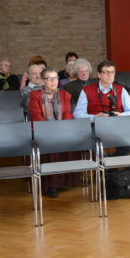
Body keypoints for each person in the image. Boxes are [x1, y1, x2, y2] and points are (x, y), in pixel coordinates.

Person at [29, 68, 78, 198]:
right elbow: (36, 115)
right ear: (43, 80)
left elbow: (68, 113)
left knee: (71, 142)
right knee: (49, 145)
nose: (53, 81)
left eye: (55, 78)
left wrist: (62, 128)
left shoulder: (64, 94)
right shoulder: (35, 95)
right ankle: (52, 185)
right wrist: (50, 131)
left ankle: (66, 181)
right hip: (44, 131)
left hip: (63, 129)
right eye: (49, 78)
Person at [73, 60, 130, 157]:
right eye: (106, 72)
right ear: (99, 75)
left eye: (112, 72)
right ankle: (109, 167)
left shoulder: (121, 89)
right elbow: (77, 115)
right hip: (94, 127)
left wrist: (120, 115)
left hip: (117, 126)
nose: (110, 75)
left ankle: (109, 166)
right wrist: (95, 117)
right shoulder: (87, 91)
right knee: (95, 146)